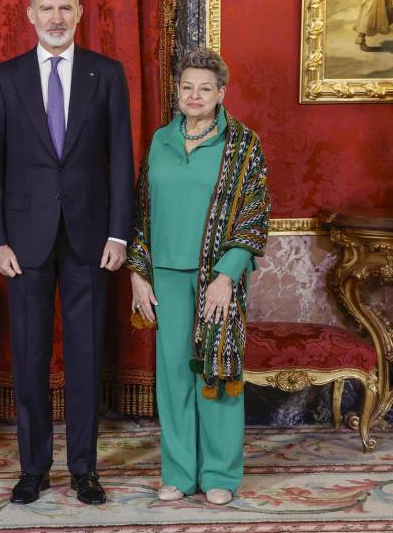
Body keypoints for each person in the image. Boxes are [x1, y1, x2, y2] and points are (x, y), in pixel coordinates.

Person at [0, 0, 134, 506]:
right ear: (30, 15)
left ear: (80, 12)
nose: (56, 18)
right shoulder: (3, 79)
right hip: (23, 242)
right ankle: (33, 468)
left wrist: (120, 233)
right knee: (29, 356)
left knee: (86, 357)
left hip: (92, 239)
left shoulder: (107, 75)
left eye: (65, 8)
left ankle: (84, 470)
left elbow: (121, 161)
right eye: (46, 9)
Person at [127, 47, 270, 506]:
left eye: (204, 88)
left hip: (217, 279)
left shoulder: (243, 144)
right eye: (187, 87)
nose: (194, 95)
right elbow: (140, 212)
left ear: (221, 93)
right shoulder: (159, 140)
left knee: (217, 372)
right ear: (179, 91)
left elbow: (254, 213)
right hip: (165, 275)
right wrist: (138, 273)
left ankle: (220, 476)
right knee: (172, 377)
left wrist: (228, 274)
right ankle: (178, 473)